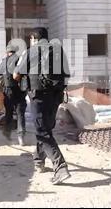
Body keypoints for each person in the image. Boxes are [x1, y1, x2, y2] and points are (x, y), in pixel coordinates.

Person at [13, 28, 71, 185]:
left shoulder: (30, 51)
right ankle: (39, 160)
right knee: (46, 128)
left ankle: (60, 167)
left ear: (33, 38)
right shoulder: (58, 51)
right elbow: (66, 74)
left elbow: (16, 74)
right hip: (56, 96)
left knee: (42, 132)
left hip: (38, 96)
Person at [0, 45, 27, 146]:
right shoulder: (19, 59)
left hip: (7, 91)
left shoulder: (4, 61)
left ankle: (7, 133)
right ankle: (21, 137)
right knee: (20, 113)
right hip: (18, 90)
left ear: (7, 52)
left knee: (9, 113)